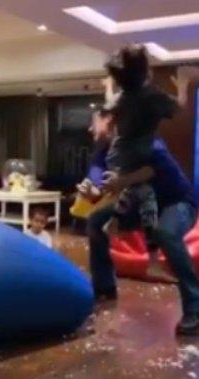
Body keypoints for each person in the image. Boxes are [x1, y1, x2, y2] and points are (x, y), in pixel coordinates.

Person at [82, 105, 199, 334]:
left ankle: (195, 307)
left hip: (177, 202)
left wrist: (122, 180)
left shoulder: (143, 140)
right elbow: (96, 179)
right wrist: (92, 191)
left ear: (109, 120)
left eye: (93, 121)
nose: (89, 128)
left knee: (165, 231)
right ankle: (105, 288)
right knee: (96, 221)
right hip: (141, 205)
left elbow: (152, 169)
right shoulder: (103, 152)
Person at [100, 45, 178, 278]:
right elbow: (178, 106)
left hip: (118, 155)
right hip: (137, 159)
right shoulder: (152, 95)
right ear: (145, 70)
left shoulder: (121, 98)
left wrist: (108, 86)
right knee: (148, 199)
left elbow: (109, 104)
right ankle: (152, 260)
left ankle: (113, 223)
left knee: (137, 190)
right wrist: (184, 84)